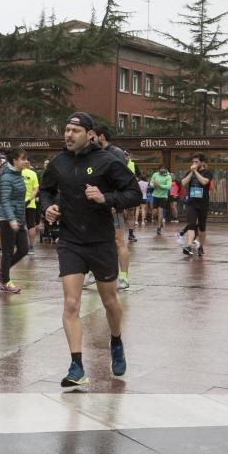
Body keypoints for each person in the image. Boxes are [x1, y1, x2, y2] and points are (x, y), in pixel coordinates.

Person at [38, 112, 141, 388]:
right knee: (71, 303)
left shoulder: (107, 161)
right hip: (70, 241)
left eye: (75, 131)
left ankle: (116, 340)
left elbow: (134, 194)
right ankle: (76, 365)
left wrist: (105, 197)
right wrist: (47, 208)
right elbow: (45, 191)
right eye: (66, 129)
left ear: (89, 134)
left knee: (109, 302)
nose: (68, 135)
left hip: (100, 241)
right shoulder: (58, 163)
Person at [91, 126, 132, 290]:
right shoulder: (93, 153)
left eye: (92, 136)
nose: (90, 138)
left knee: (118, 240)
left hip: (112, 203)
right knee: (94, 239)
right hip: (95, 204)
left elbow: (121, 180)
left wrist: (115, 202)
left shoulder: (115, 153)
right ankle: (93, 272)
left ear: (100, 137)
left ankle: (123, 277)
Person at [0, 148, 30, 293]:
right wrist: (12, 219)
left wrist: (20, 219)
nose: (26, 161)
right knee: (7, 251)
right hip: (7, 218)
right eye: (23, 159)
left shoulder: (17, 174)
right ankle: (6, 281)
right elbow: (5, 201)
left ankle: (1, 272)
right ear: (15, 161)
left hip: (17, 218)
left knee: (24, 249)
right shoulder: (7, 178)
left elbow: (18, 200)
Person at [179, 153, 213, 257]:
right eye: (193, 162)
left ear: (202, 163)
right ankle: (189, 246)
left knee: (202, 227)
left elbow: (204, 182)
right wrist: (191, 172)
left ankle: (201, 246)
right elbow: (183, 183)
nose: (194, 163)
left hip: (203, 203)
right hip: (192, 203)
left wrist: (195, 172)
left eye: (196, 162)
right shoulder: (190, 172)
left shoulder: (207, 172)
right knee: (191, 224)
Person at [21, 156, 40, 255]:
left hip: (18, 204)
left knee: (19, 225)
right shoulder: (33, 174)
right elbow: (36, 189)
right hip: (30, 204)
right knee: (30, 225)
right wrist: (29, 200)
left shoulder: (17, 172)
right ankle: (31, 247)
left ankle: (20, 246)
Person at [149, 164, 172, 235]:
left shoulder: (168, 176)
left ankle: (159, 228)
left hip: (163, 196)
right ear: (158, 169)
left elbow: (169, 187)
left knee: (160, 211)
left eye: (163, 169)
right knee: (154, 213)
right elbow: (151, 184)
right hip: (155, 195)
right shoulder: (155, 175)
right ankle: (160, 222)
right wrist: (154, 185)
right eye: (161, 169)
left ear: (166, 170)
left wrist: (160, 185)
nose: (162, 170)